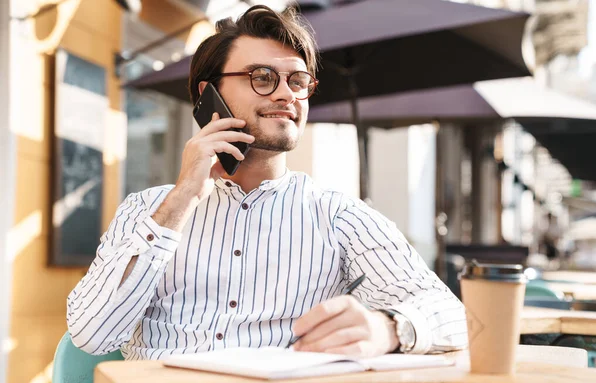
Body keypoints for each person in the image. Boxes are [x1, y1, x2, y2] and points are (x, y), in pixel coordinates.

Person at [67, 5, 467, 360]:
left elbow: (452, 316)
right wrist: (182, 197)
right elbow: (91, 335)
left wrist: (388, 328)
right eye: (262, 77)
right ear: (210, 95)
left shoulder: (339, 215)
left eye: (297, 81)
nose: (285, 94)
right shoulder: (146, 211)